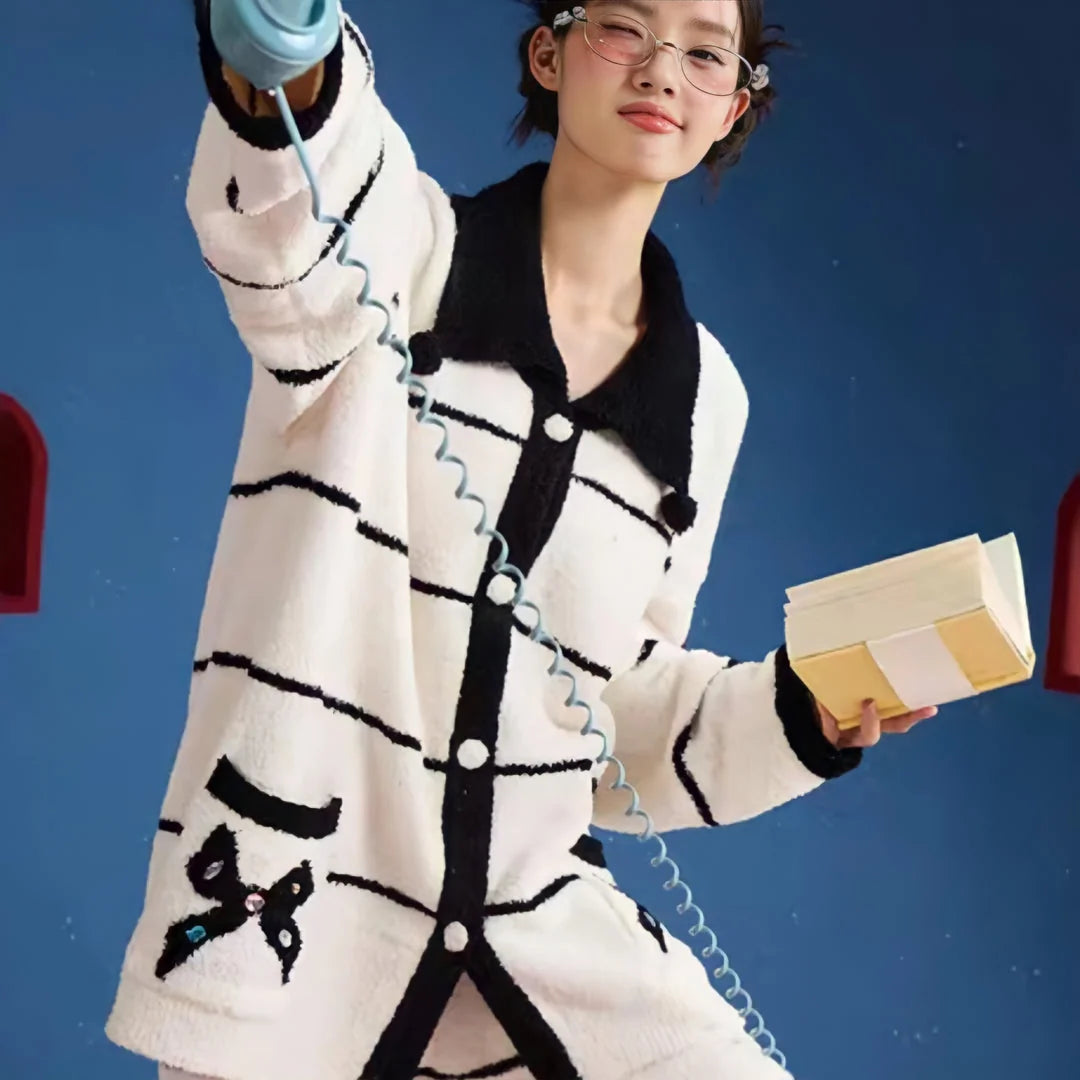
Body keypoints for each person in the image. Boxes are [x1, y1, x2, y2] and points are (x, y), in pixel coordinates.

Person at [106, 3, 936, 1078]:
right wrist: (291, 55)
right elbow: (300, 208)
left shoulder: (705, 401)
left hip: (535, 936)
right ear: (547, 53)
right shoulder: (408, 250)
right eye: (622, 29)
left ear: (734, 105)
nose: (659, 71)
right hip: (299, 911)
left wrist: (799, 714)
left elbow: (603, 711)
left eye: (701, 50)